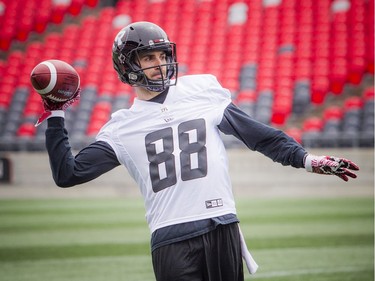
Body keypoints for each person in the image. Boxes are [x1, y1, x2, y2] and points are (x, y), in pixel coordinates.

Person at [38, 21, 359, 281]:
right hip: (170, 236)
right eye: (149, 58)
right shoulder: (121, 128)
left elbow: (261, 137)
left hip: (221, 224)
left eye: (162, 56)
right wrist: (55, 114)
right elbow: (69, 174)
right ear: (128, 66)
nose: (159, 64)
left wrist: (307, 159)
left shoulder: (201, 92)